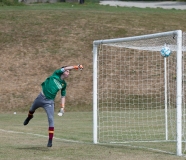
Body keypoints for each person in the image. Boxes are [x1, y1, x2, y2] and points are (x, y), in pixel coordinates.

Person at [23, 65, 83, 147]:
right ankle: (29, 117)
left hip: (49, 102)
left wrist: (62, 107)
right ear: (63, 71)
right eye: (67, 71)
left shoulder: (63, 84)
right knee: (31, 109)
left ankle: (50, 140)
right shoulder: (56, 74)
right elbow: (65, 68)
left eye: (69, 72)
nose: (68, 73)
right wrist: (76, 67)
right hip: (40, 97)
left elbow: (63, 96)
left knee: (51, 119)